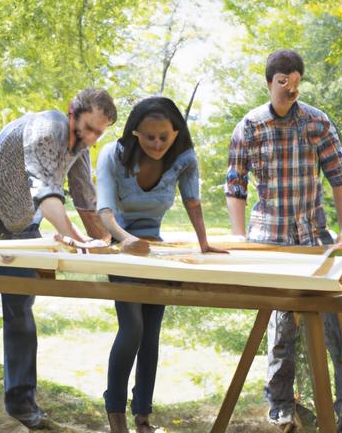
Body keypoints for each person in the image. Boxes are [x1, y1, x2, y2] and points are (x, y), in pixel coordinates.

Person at [0, 88, 117, 433]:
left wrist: (107, 241)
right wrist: (77, 240)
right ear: (71, 113)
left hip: (24, 226)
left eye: (99, 132)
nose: (90, 138)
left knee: (20, 311)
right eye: (87, 128)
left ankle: (22, 403)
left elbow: (84, 198)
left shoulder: (80, 146)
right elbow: (46, 191)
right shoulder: (46, 128)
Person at [225, 49, 342, 431]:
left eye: (296, 80)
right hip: (269, 240)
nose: (290, 88)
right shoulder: (251, 125)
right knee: (283, 325)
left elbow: (340, 176)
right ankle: (282, 405)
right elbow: (235, 185)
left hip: (313, 236)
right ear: (270, 82)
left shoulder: (316, 122)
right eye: (282, 81)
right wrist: (239, 237)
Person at [96, 96, 225, 433]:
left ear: (175, 133)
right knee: (133, 327)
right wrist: (124, 239)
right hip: (121, 246)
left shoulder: (184, 159)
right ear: (136, 133)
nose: (156, 144)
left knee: (151, 332)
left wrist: (205, 244)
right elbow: (105, 210)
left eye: (164, 137)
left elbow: (193, 202)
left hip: (154, 247)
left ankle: (143, 416)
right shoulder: (113, 154)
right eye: (149, 137)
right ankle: (115, 414)